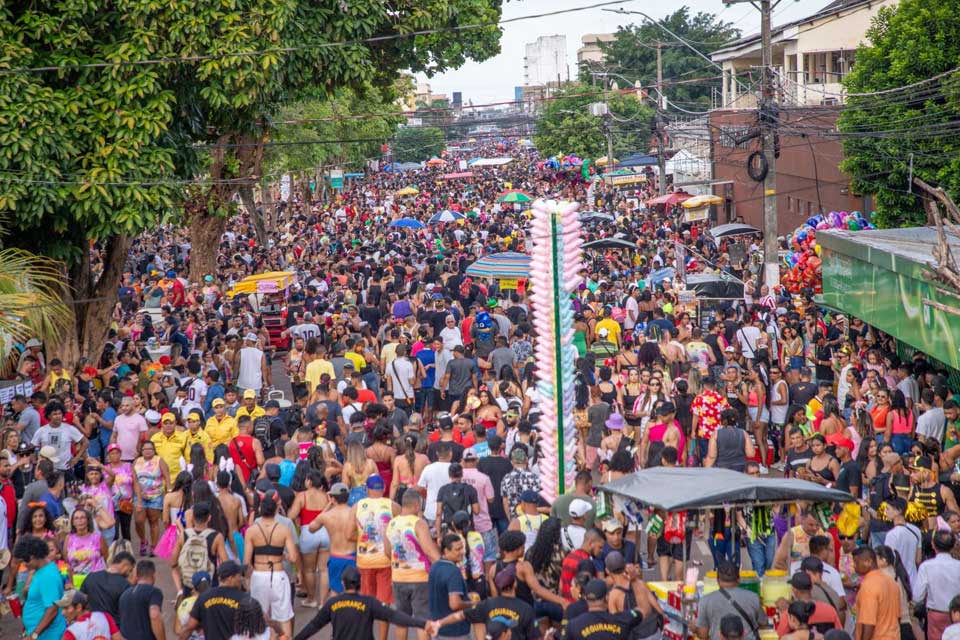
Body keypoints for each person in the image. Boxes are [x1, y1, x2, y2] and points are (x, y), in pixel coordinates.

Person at [294, 565, 438, 640]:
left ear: (343, 585)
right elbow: (395, 616)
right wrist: (422, 623)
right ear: (360, 583)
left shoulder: (332, 603)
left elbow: (314, 625)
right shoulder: (369, 603)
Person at [384, 491, 441, 640]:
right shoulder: (418, 523)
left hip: (398, 578)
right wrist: (443, 565)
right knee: (422, 621)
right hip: (420, 579)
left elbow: (387, 552)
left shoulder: (391, 523)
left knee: (402, 621)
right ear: (417, 505)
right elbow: (429, 551)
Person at [244, 488, 299, 638]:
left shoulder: (252, 530)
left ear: (261, 509)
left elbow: (246, 562)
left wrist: (248, 580)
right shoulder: (284, 529)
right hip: (279, 576)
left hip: (259, 576)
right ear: (276, 509)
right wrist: (282, 557)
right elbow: (294, 558)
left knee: (258, 618)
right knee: (283, 618)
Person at [435, 563, 539, 640]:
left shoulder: (487, 604)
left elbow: (460, 616)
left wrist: (439, 623)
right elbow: (534, 637)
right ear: (515, 584)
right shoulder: (526, 609)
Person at [178, 560, 251, 640]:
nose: (241, 579)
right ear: (231, 578)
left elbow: (189, 627)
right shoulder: (244, 599)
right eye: (239, 575)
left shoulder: (204, 597)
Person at [694, 560, 766, 640]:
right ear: (739, 579)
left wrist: (694, 629)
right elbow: (763, 622)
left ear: (717, 580)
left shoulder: (705, 601)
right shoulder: (753, 597)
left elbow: (703, 635)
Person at [307, 482, 357, 596]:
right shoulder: (354, 513)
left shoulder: (327, 516)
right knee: (354, 591)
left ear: (332, 498)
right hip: (352, 557)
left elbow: (311, 528)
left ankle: (335, 613)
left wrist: (327, 506)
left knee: (334, 590)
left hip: (336, 557)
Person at [14, 534, 67, 640]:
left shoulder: (48, 576)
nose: (24, 565)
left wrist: (34, 635)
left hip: (48, 635)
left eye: (25, 561)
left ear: (33, 557)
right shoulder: (40, 570)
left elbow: (52, 610)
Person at [563, 578, 649, 640]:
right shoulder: (622, 620)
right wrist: (634, 580)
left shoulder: (573, 626)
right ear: (607, 598)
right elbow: (644, 610)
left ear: (586, 598)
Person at [914, 530, 960, 640]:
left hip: (936, 615)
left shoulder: (926, 567)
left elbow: (917, 596)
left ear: (933, 545)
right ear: (953, 545)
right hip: (958, 613)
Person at [429, 533, 475, 640]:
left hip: (438, 629)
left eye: (462, 548)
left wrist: (466, 595)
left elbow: (442, 593)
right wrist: (472, 604)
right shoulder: (453, 572)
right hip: (455, 632)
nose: (462, 552)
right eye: (457, 549)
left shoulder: (434, 567)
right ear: (446, 551)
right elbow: (455, 604)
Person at [852, 546, 901, 640]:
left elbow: (868, 624)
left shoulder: (868, 586)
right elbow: (898, 618)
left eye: (856, 562)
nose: (854, 566)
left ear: (868, 562)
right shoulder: (891, 582)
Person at [78, 550, 135, 619]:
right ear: (125, 565)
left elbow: (81, 600)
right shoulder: (125, 585)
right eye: (130, 570)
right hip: (115, 626)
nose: (129, 573)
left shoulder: (91, 577)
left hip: (94, 624)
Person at [118, 559, 165, 640]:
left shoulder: (124, 595)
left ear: (136, 576)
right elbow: (155, 615)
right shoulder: (154, 592)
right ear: (153, 575)